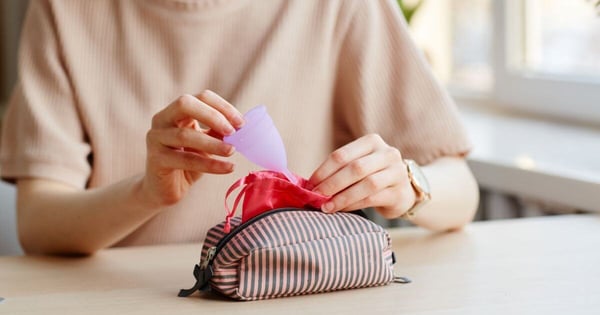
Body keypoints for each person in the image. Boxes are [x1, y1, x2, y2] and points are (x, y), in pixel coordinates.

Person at [0, 0, 478, 255]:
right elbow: (38, 223)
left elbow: (462, 189)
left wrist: (408, 185)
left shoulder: (340, 6)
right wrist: (149, 193)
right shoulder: (63, 10)